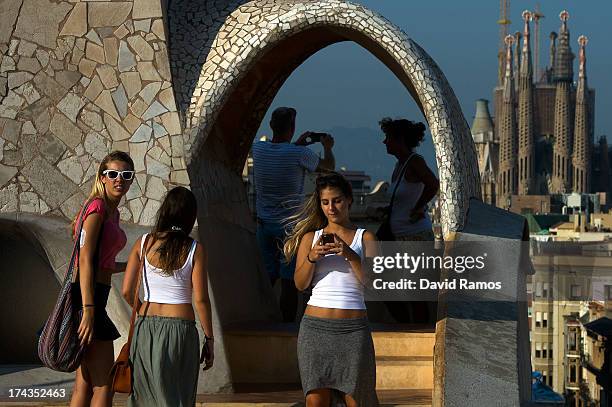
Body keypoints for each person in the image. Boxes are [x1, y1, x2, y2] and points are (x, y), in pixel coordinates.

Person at [284, 172, 379, 407]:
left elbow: (373, 283)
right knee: (316, 402)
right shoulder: (310, 238)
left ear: (349, 200)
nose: (331, 208)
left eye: (336, 200)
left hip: (354, 332)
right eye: (325, 202)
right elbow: (300, 284)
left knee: (358, 400)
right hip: (315, 330)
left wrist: (349, 254)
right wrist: (311, 256)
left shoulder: (365, 237)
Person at [121, 186, 214, 407]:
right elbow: (200, 299)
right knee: (177, 396)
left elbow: (126, 291)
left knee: (144, 397)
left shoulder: (144, 243)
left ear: (165, 211)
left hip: (145, 326)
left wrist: (145, 308)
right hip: (180, 329)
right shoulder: (194, 249)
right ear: (190, 216)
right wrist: (209, 339)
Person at [253, 106, 335, 322]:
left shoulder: (258, 150)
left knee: (266, 278)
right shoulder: (300, 154)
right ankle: (287, 327)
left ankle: (260, 320)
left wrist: (295, 145)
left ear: (271, 126)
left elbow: (279, 152)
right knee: (289, 281)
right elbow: (328, 167)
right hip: (290, 228)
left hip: (263, 225)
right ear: (293, 127)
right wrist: (327, 147)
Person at [70, 151, 135, 407]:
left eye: (126, 175)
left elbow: (102, 263)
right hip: (88, 299)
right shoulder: (97, 208)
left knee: (84, 384)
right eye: (114, 174)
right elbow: (84, 260)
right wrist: (88, 310)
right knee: (104, 384)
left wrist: (133, 265)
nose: (120, 179)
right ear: (102, 177)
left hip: (95, 297)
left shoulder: (111, 212)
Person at [380, 117, 440, 324]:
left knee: (415, 291)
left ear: (399, 140)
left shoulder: (415, 162)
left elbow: (433, 184)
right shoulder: (400, 165)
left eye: (388, 137)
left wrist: (418, 207)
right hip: (399, 237)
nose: (384, 142)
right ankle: (407, 326)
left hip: (414, 237)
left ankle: (418, 332)